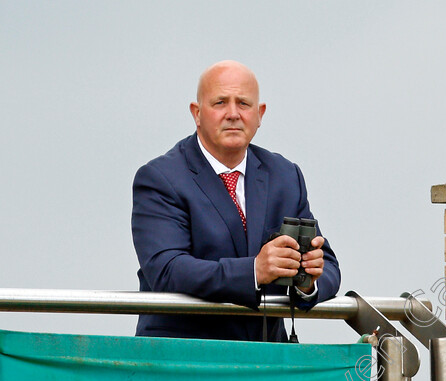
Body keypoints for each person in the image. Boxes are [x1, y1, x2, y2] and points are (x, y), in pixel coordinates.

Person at [131, 60, 340, 341]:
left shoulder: (285, 175)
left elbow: (328, 265)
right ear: (197, 113)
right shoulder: (159, 178)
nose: (233, 114)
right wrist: (255, 270)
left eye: (243, 103)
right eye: (220, 103)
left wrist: (306, 282)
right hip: (184, 360)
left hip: (265, 362)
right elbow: (167, 269)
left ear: (259, 114)